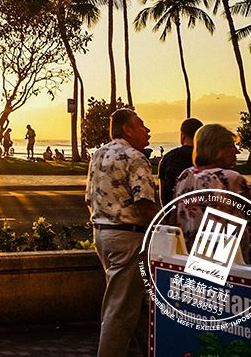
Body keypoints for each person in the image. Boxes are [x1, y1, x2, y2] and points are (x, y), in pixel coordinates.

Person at [85, 108, 159, 357]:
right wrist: (164, 228)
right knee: (121, 309)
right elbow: (145, 202)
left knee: (137, 306)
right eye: (141, 124)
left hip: (103, 235)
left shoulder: (98, 156)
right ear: (127, 129)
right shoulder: (134, 157)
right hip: (128, 237)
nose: (146, 130)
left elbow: (89, 198)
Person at [173, 124, 251, 254]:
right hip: (223, 255)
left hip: (188, 252)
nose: (237, 151)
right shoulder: (230, 178)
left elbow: (174, 216)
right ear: (219, 149)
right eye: (232, 146)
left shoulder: (185, 175)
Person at [157, 117, 203, 207]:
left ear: (183, 136)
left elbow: (162, 192)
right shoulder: (206, 159)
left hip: (173, 213)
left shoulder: (168, 158)